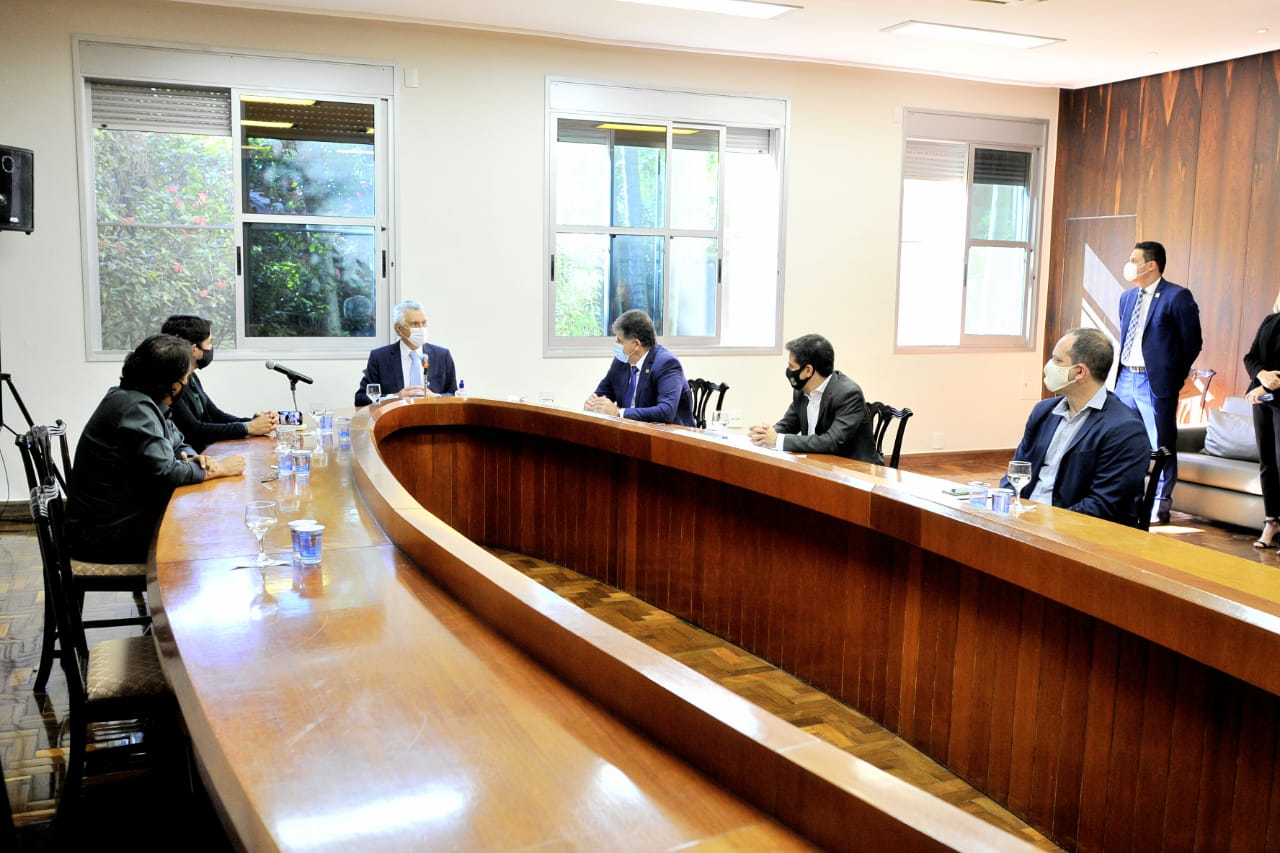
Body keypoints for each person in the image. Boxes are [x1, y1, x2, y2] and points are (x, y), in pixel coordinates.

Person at [65, 334, 246, 564]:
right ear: (172, 384)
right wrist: (218, 469)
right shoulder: (136, 408)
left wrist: (196, 458)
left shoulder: (141, 401)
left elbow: (178, 441)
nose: (187, 382)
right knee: (207, 536)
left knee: (206, 526)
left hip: (121, 519)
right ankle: (168, 587)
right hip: (104, 535)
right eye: (186, 376)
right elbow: (166, 472)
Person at [1005, 328, 1150, 526]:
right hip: (1026, 521)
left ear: (1080, 372)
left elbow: (1103, 506)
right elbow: (1015, 473)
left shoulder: (1125, 429)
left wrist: (1042, 522)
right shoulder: (1043, 412)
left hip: (1075, 529)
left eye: (1057, 361)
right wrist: (1005, 511)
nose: (1048, 366)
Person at [1115, 241, 1203, 524]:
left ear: (1151, 264)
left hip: (1154, 381)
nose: (1129, 265)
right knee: (1126, 440)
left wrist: (1174, 377)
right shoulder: (1127, 297)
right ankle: (1129, 500)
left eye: (1134, 260)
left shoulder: (1177, 296)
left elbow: (1192, 342)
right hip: (1125, 377)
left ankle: (1161, 503)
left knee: (1161, 442)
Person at [748, 333, 882, 464]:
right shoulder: (802, 391)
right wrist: (765, 434)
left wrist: (777, 440)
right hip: (820, 465)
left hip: (856, 469)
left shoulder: (848, 394)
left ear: (808, 370)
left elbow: (831, 442)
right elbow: (788, 424)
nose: (789, 371)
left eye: (791, 366)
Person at [160, 314, 277, 453]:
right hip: (192, 457)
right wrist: (248, 428)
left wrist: (254, 422)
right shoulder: (171, 384)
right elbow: (194, 430)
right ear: (193, 349)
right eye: (209, 342)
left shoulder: (191, 377)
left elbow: (215, 415)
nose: (211, 348)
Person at [584, 309, 695, 426]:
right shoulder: (621, 362)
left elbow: (666, 412)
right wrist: (593, 404)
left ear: (636, 344)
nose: (616, 344)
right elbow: (602, 393)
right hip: (631, 429)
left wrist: (619, 413)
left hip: (669, 433)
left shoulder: (666, 364)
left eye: (619, 341)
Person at [355, 300, 457, 406]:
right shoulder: (380, 357)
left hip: (433, 415)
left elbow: (455, 395)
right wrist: (394, 397)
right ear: (399, 328)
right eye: (415, 324)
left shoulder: (442, 355)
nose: (421, 328)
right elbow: (361, 398)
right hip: (396, 416)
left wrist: (436, 397)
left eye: (424, 323)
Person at [1244, 289, 1280, 547]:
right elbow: (1250, 357)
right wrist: (1261, 375)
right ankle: (1271, 523)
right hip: (1262, 399)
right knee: (1267, 462)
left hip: (1274, 397)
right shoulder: (1270, 320)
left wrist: (1267, 384)